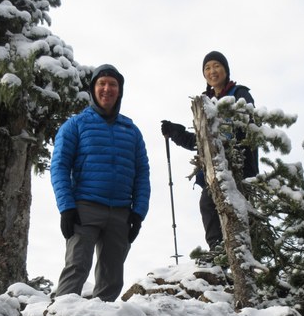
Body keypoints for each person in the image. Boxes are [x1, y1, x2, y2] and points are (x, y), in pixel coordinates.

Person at [50, 64, 150, 301]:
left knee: (112, 276)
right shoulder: (75, 125)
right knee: (76, 267)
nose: (107, 89)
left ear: (120, 90)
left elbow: (142, 174)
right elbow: (59, 166)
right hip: (85, 209)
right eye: (101, 83)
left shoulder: (132, 131)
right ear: (93, 89)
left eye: (113, 84)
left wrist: (138, 213)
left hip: (121, 213)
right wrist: (66, 208)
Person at [161, 50, 258, 253]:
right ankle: (218, 252)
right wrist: (176, 132)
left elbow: (249, 126)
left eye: (216, 66)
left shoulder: (239, 94)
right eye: (207, 68)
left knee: (240, 215)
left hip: (240, 167)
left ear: (226, 70)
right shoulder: (204, 102)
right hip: (214, 169)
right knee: (208, 204)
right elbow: (201, 142)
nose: (212, 71)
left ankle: (242, 256)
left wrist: (237, 154)